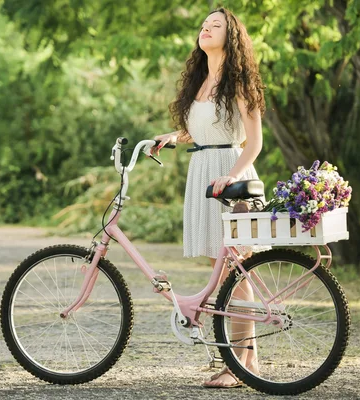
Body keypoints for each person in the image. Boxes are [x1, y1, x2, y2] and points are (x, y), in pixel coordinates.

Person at [154, 7, 265, 389]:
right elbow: (201, 128)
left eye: (215, 25)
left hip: (229, 174)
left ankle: (239, 365)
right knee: (228, 271)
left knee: (236, 271)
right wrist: (173, 137)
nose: (206, 29)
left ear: (230, 36)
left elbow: (254, 142)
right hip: (202, 171)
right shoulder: (200, 81)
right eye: (203, 25)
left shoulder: (238, 82)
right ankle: (247, 359)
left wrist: (230, 177)